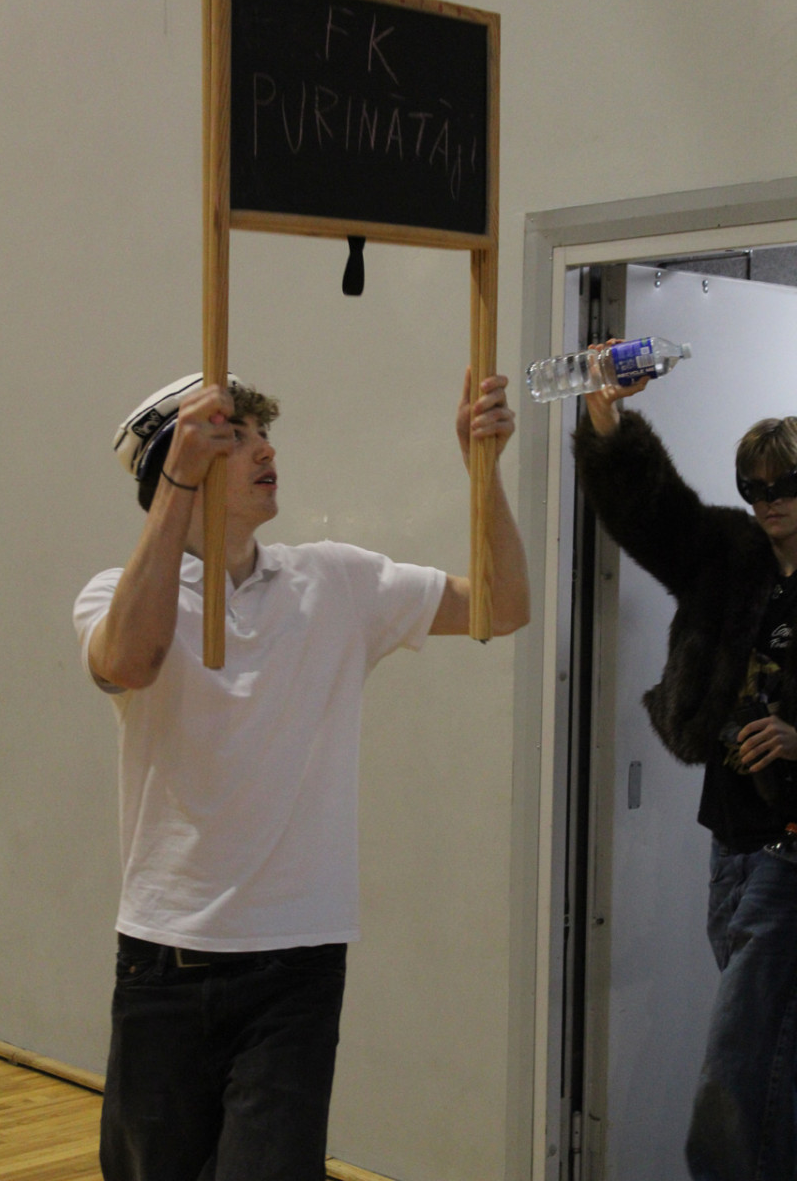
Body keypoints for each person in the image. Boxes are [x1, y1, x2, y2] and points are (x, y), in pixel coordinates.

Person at [73, 367, 529, 1181]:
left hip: (299, 961)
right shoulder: (114, 594)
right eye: (236, 437)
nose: (266, 451)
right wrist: (179, 483)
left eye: (264, 434)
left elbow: (503, 606)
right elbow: (131, 661)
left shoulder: (336, 580)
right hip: (167, 957)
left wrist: (482, 471)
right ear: (174, 463)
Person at [572, 350, 797, 1181]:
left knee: (739, 1066)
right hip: (731, 837)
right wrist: (606, 419)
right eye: (754, 487)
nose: (768, 501)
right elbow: (653, 514)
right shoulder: (730, 554)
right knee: (771, 1055)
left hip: (787, 848)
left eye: (785, 485)